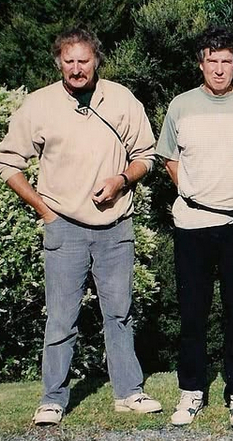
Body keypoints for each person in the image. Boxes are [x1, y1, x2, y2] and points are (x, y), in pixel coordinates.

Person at [0, 28, 161, 426]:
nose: (76, 68)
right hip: (63, 228)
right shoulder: (39, 105)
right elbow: (8, 163)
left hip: (116, 227)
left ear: (96, 61)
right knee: (60, 318)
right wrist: (45, 211)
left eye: (83, 60)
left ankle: (129, 392)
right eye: (68, 61)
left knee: (119, 313)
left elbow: (147, 154)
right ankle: (52, 399)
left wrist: (122, 180)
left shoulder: (121, 98)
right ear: (59, 63)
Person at [156, 27, 233, 428]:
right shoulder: (180, 106)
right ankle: (191, 392)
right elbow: (168, 156)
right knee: (192, 313)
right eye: (212, 61)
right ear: (200, 63)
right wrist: (188, 189)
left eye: (226, 62)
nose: (219, 69)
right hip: (192, 223)